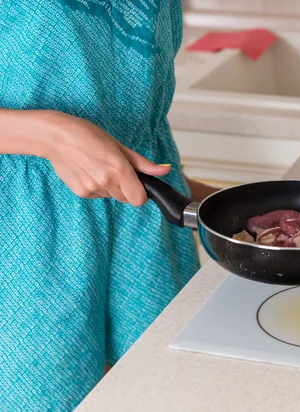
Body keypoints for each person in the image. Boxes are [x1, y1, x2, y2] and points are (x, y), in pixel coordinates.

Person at [0, 1, 218, 410]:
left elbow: (124, 110)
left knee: (159, 391)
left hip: (146, 217)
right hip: (21, 230)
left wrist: (221, 201)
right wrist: (49, 137)